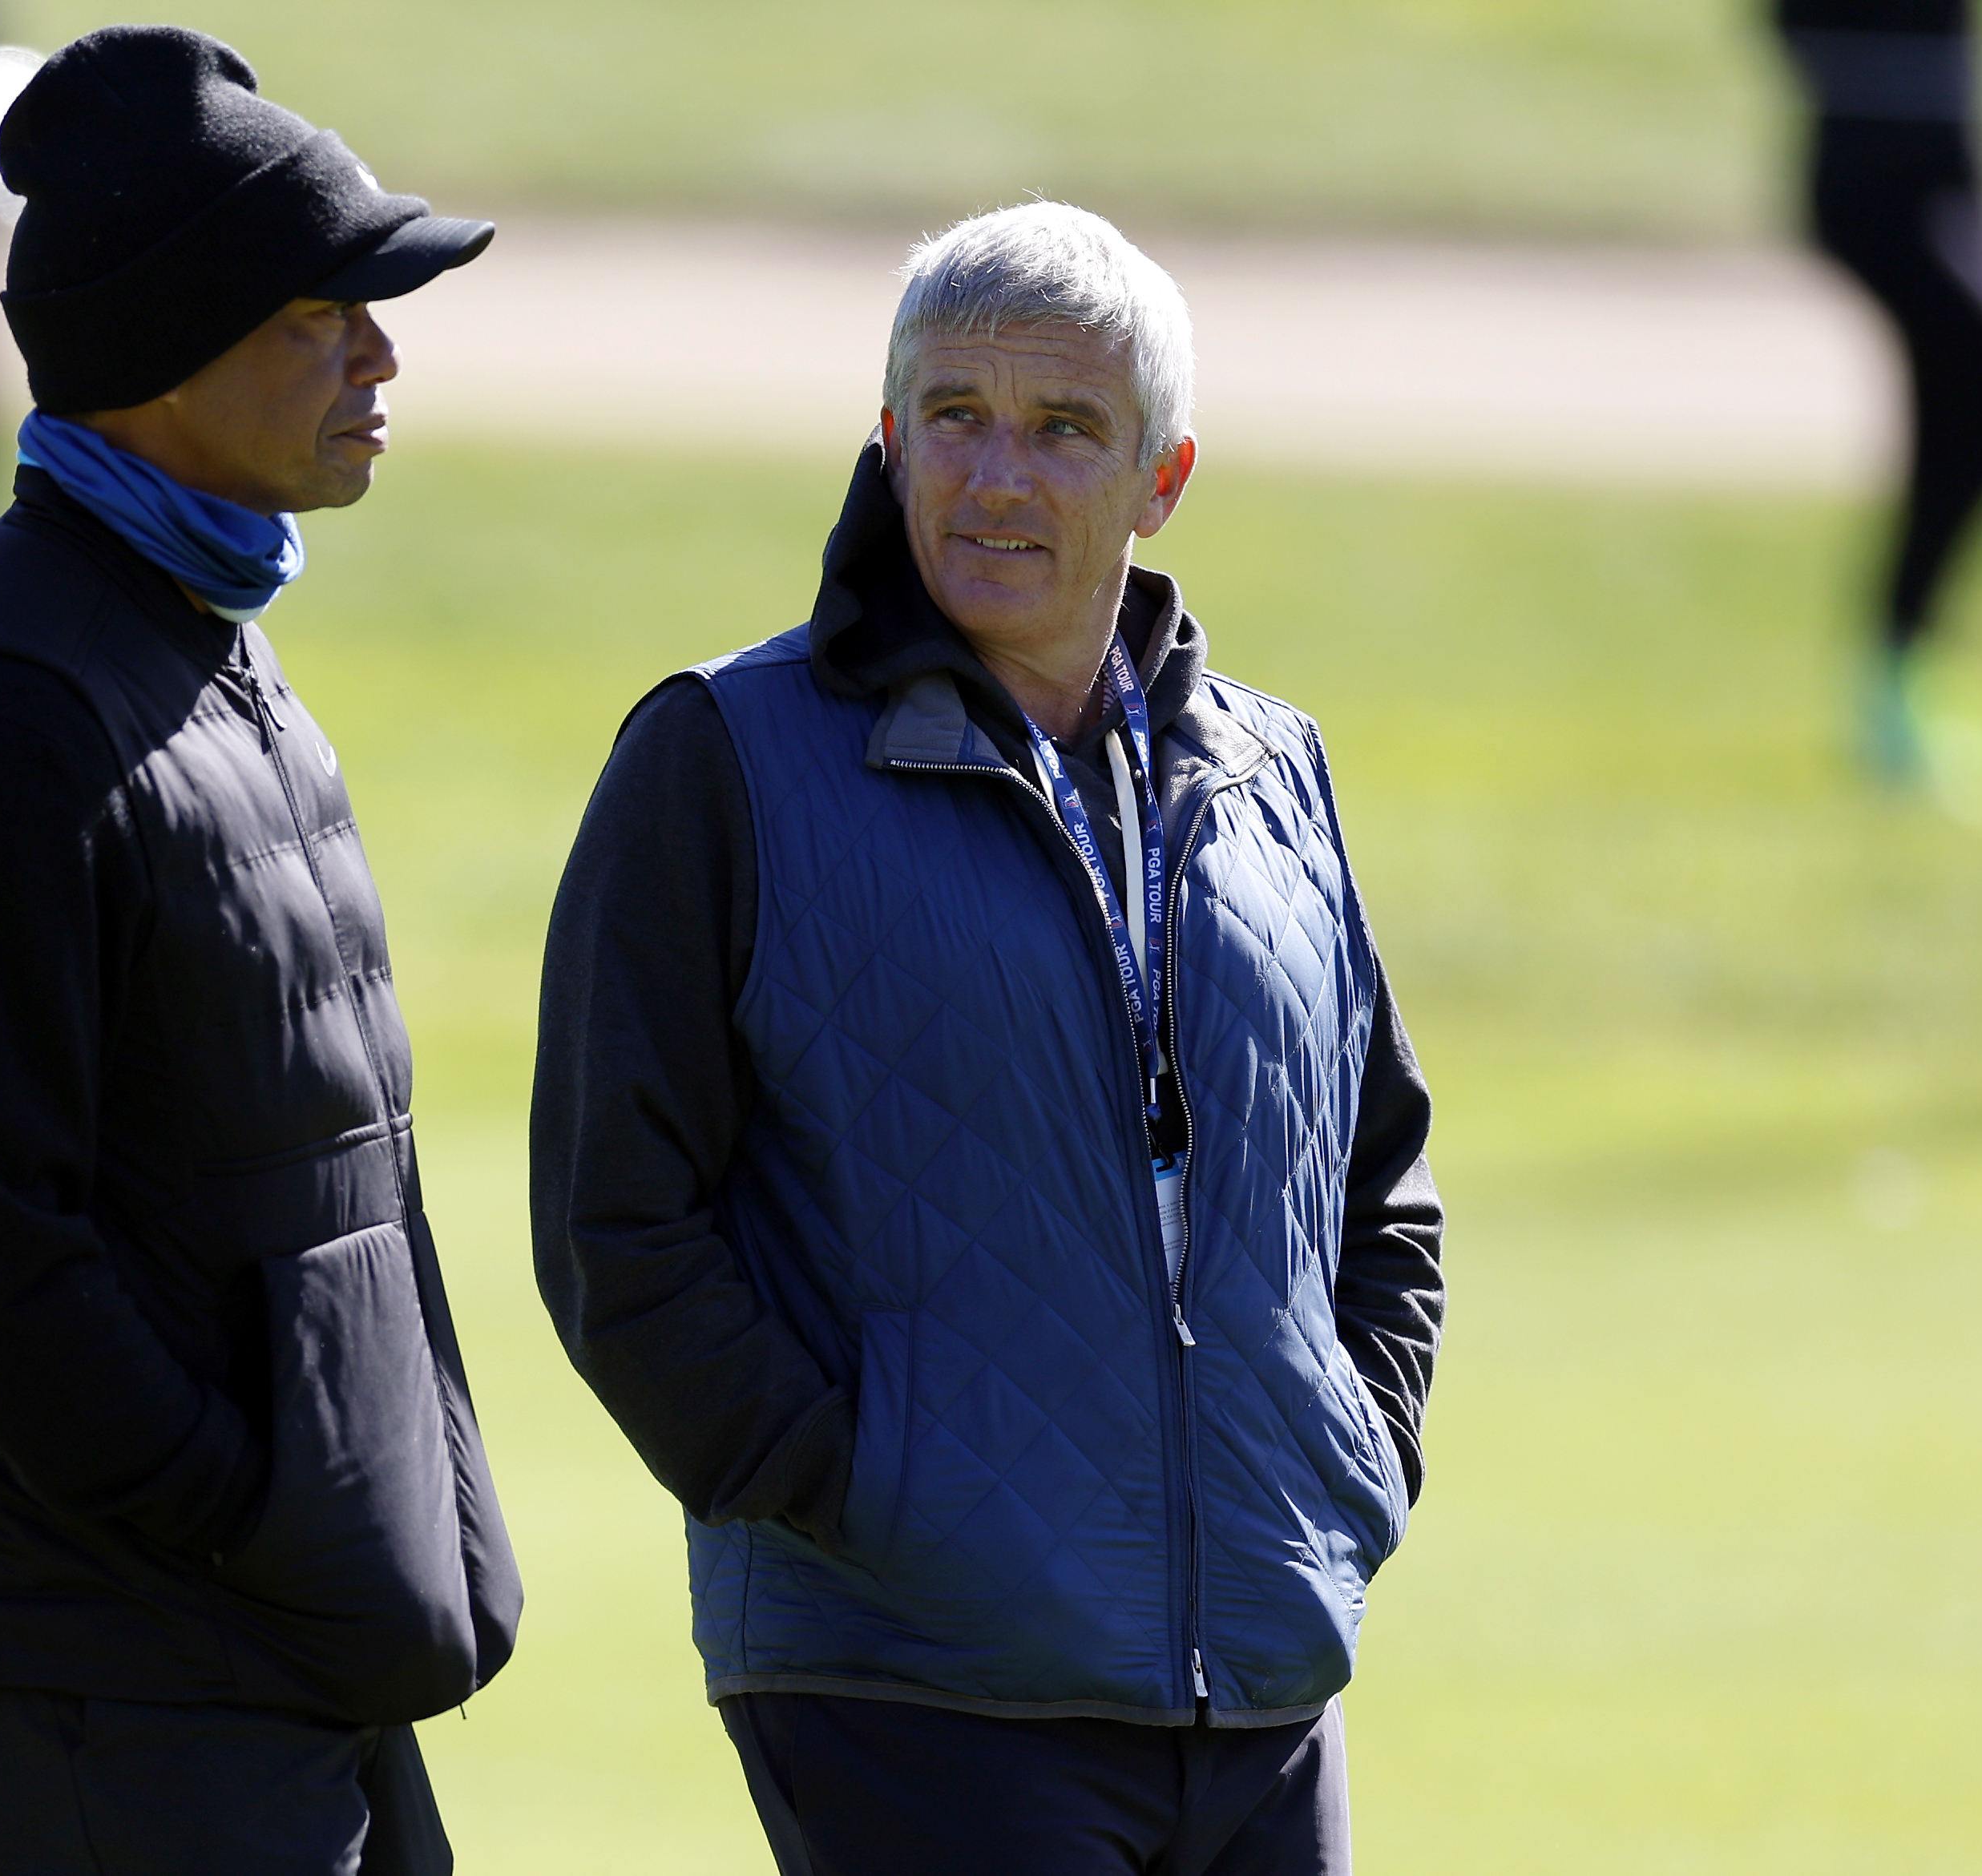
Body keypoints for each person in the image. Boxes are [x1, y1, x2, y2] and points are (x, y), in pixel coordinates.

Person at [532, 204, 1444, 1876]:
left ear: (1160, 481)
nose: (996, 478)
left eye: (1061, 430)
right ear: (887, 447)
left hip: (1258, 1683)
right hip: (911, 1685)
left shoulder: (1271, 775)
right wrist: (858, 1490)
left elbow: (1378, 1183)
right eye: (952, 418)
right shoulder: (721, 758)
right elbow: (617, 1229)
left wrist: (1348, 1460)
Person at [0, 28, 518, 1875]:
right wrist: (247, 1504)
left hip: (269, 1640)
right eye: (321, 310)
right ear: (159, 347)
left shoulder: (187, 629)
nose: (379, 355)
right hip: (107, 1676)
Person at [1773, 0, 1982, 809]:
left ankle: (1905, 668)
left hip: (1949, 161)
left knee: (1965, 394)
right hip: (1870, 164)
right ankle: (1897, 662)